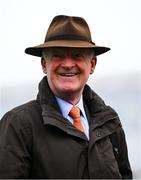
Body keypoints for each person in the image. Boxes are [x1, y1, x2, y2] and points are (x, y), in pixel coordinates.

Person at [0, 15, 132, 179]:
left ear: (92, 65)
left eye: (77, 55)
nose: (68, 64)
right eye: (58, 55)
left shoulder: (109, 122)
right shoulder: (18, 125)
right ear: (43, 65)